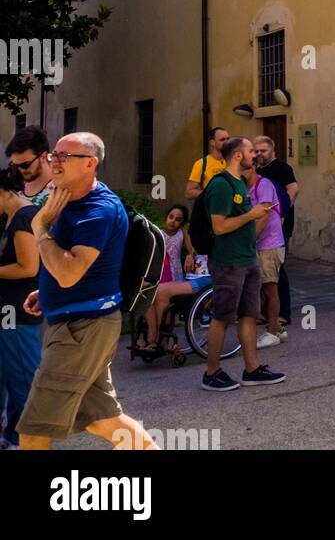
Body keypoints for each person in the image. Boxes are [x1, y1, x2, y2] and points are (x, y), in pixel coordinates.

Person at [17, 133, 155, 450]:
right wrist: (46, 290)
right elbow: (66, 267)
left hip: (81, 330)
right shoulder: (66, 199)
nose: (55, 160)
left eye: (66, 156)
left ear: (90, 163)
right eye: (54, 154)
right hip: (78, 323)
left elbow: (68, 272)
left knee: (33, 430)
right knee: (102, 419)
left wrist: (39, 229)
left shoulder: (99, 210)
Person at [201, 136, 286, 392]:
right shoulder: (221, 185)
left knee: (249, 314)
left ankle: (252, 369)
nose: (255, 155)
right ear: (238, 156)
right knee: (222, 317)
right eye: (250, 151)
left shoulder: (239, 183)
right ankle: (212, 372)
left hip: (248, 257)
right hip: (229, 260)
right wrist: (252, 214)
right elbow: (219, 226)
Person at [0, 163, 40, 450]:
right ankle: (11, 436)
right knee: (6, 374)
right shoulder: (10, 214)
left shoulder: (25, 217)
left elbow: (28, 268)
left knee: (22, 378)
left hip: (19, 311)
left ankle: (22, 439)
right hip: (7, 310)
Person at [252, 136, 298, 331]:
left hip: (279, 226)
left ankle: (283, 314)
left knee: (278, 269)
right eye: (257, 151)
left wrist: (282, 213)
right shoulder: (257, 170)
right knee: (263, 271)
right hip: (262, 227)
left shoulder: (281, 168)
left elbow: (293, 189)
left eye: (263, 150)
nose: (260, 154)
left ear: (272, 151)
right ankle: (265, 313)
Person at [138, 203, 197, 350]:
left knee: (169, 309)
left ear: (182, 223)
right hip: (161, 272)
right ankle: (153, 335)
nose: (173, 221)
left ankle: (163, 342)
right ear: (166, 218)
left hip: (175, 273)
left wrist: (190, 254)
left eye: (178, 219)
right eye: (171, 217)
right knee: (149, 299)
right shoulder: (159, 234)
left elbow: (193, 250)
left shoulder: (182, 233)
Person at [245, 159, 286, 348]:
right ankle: (277, 327)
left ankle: (272, 332)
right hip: (259, 244)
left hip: (269, 244)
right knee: (262, 288)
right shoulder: (244, 187)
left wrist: (248, 241)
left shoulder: (264, 185)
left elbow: (263, 215)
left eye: (245, 168)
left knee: (270, 288)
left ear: (253, 168)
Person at [4, 127, 53, 202]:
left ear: (43, 157)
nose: (20, 169)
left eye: (25, 165)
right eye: (15, 165)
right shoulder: (14, 181)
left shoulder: (57, 190)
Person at [187, 126, 229, 199]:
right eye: (222, 139)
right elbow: (189, 193)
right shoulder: (202, 163)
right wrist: (211, 193)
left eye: (228, 139)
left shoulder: (232, 161)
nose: (226, 142)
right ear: (212, 142)